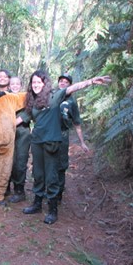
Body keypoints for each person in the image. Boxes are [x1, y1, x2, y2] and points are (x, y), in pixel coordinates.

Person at [18, 70, 110, 224]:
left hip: (51, 142)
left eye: (38, 82)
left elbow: (71, 89)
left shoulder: (54, 97)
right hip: (37, 143)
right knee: (38, 174)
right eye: (33, 82)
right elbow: (22, 118)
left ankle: (53, 210)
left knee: (52, 176)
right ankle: (37, 204)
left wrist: (92, 81)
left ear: (45, 83)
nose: (35, 85)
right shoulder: (32, 101)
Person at [57, 73, 90, 205]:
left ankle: (58, 194)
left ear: (70, 85)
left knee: (61, 166)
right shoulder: (53, 96)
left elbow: (77, 123)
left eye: (66, 82)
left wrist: (82, 142)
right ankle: (47, 191)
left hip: (63, 136)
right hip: (48, 136)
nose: (63, 83)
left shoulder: (71, 103)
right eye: (61, 81)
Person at [7, 76, 30, 203]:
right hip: (8, 134)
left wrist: (11, 123)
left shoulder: (25, 99)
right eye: (12, 84)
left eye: (17, 84)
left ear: (20, 86)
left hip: (22, 133)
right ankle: (6, 187)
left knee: (20, 162)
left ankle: (19, 190)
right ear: (9, 86)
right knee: (8, 160)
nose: (15, 86)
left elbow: (27, 114)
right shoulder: (6, 98)